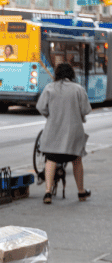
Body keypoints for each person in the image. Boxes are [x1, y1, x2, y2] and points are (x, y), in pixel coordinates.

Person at [36, 62, 91, 204]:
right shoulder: (78, 89)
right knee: (77, 160)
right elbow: (85, 109)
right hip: (73, 133)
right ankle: (81, 192)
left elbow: (41, 107)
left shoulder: (49, 88)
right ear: (71, 74)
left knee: (51, 159)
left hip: (53, 133)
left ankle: (47, 192)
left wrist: (51, 115)